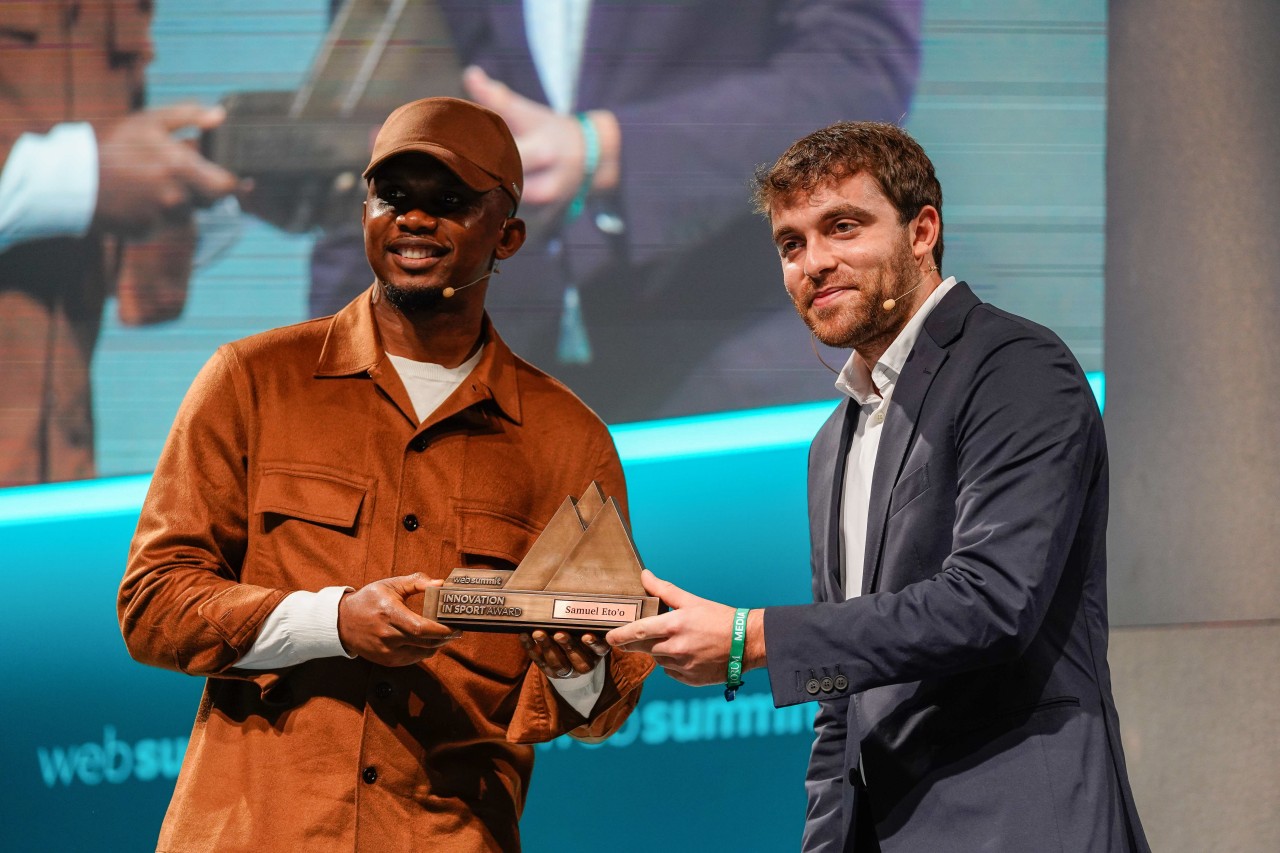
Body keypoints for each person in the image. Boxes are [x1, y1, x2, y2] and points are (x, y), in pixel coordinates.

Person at [118, 97, 651, 852]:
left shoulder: (570, 438)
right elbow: (153, 604)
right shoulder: (250, 380)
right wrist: (335, 620)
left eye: (450, 202)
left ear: (510, 235)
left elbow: (605, 700)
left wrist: (576, 671)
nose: (414, 218)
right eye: (392, 196)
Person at [608, 121, 1150, 851]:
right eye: (791, 244)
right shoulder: (832, 441)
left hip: (1019, 824)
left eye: (842, 227)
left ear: (922, 231)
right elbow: (843, 699)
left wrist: (751, 636)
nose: (814, 262)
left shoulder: (1015, 365)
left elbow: (992, 600)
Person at [309, 0, 922, 421]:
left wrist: (608, 149)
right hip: (485, 376)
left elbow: (853, 73)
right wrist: (342, 375)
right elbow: (381, 144)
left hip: (732, 353)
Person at [0, 0, 240, 486]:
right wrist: (79, 175)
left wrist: (223, 182)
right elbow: (88, 174)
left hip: (51, 486)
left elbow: (111, 209)